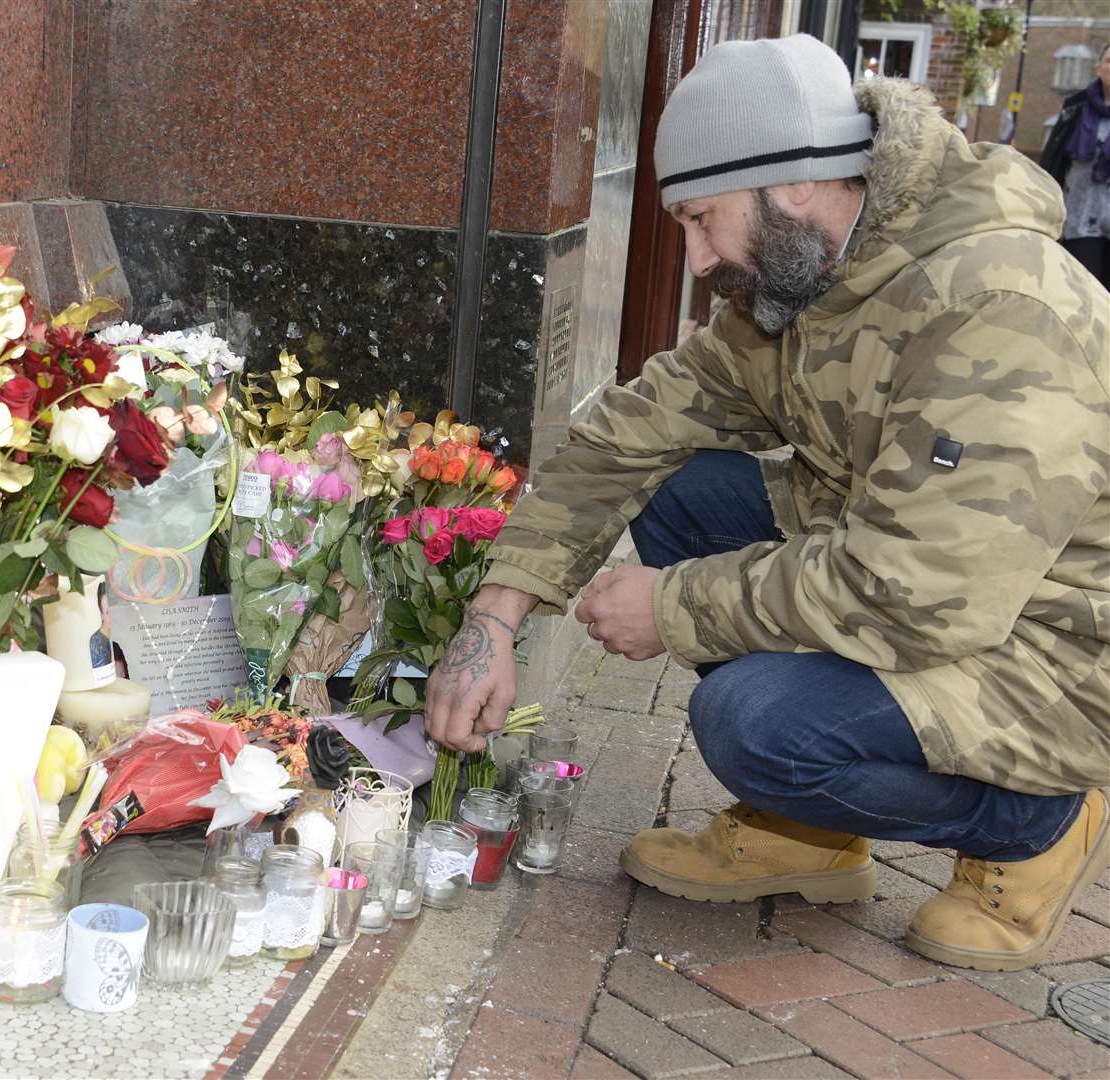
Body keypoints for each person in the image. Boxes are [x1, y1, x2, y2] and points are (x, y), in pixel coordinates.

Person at [425, 34, 1109, 973]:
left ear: (790, 185)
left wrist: (674, 606)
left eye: (704, 220)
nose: (700, 262)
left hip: (1050, 656)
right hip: (914, 590)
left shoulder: (999, 303)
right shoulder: (805, 285)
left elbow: (922, 589)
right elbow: (628, 433)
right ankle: (811, 834)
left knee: (755, 724)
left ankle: (1039, 820)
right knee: (674, 485)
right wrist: (495, 617)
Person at [1041, 42, 1110, 287]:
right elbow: (1054, 160)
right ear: (1098, 68)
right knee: (1080, 292)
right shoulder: (1075, 108)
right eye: (1109, 61)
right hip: (1079, 219)